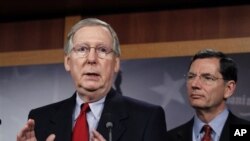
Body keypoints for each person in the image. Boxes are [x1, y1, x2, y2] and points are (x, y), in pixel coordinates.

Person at [16, 18, 167, 141]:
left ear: (116, 63)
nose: (92, 59)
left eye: (102, 50)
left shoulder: (147, 118)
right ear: (68, 62)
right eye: (82, 49)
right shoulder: (40, 119)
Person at [167, 49, 250, 141]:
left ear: (228, 89)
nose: (194, 84)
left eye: (207, 78)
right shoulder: (168, 138)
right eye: (191, 77)